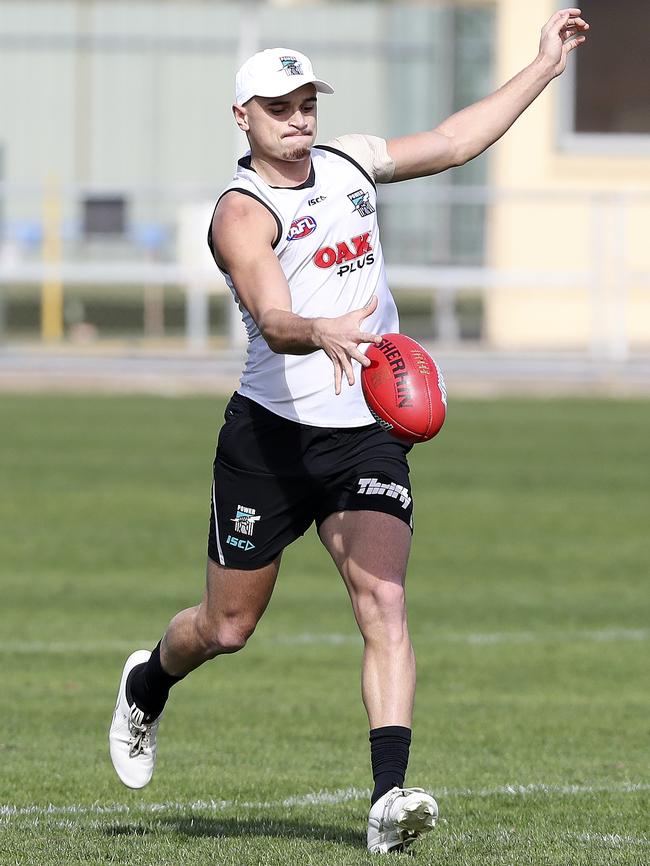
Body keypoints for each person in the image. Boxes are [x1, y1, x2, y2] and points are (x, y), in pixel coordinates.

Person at [109, 9, 588, 854]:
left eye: (306, 104)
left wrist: (543, 69)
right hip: (271, 438)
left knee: (385, 603)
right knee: (226, 629)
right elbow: (270, 308)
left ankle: (388, 799)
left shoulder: (349, 164)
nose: (297, 120)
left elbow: (451, 140)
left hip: (365, 428)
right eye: (279, 106)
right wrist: (318, 329)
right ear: (242, 117)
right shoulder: (240, 211)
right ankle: (148, 681)